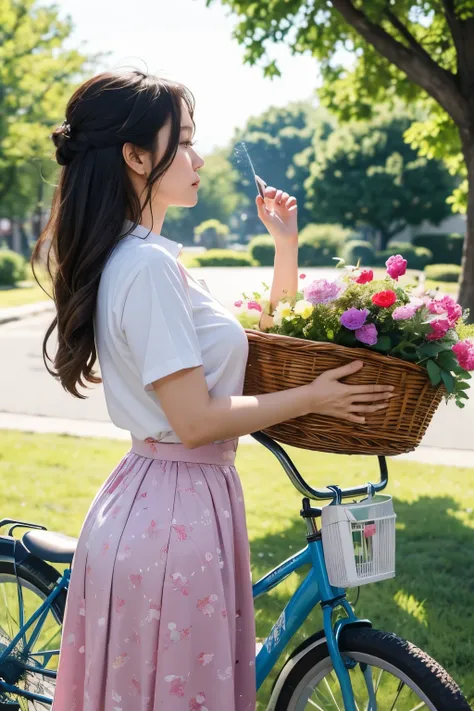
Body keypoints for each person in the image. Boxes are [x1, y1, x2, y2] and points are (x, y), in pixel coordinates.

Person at [33, 70, 394, 711]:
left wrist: (287, 246)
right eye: (188, 142)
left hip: (175, 499)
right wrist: (315, 396)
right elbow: (196, 420)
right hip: (173, 510)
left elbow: (248, 359)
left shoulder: (150, 257)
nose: (200, 159)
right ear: (137, 156)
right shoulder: (144, 267)